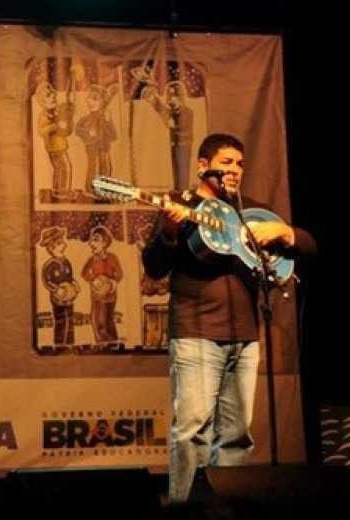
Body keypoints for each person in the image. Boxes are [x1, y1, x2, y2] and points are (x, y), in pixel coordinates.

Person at [141, 133, 316, 503]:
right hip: (196, 333)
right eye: (226, 163)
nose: (235, 170)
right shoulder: (181, 204)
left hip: (246, 337)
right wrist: (170, 231)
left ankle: (228, 509)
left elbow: (308, 244)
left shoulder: (249, 213)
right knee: (193, 432)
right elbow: (154, 267)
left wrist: (284, 232)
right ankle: (187, 509)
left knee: (237, 436)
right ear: (203, 166)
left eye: (239, 164)